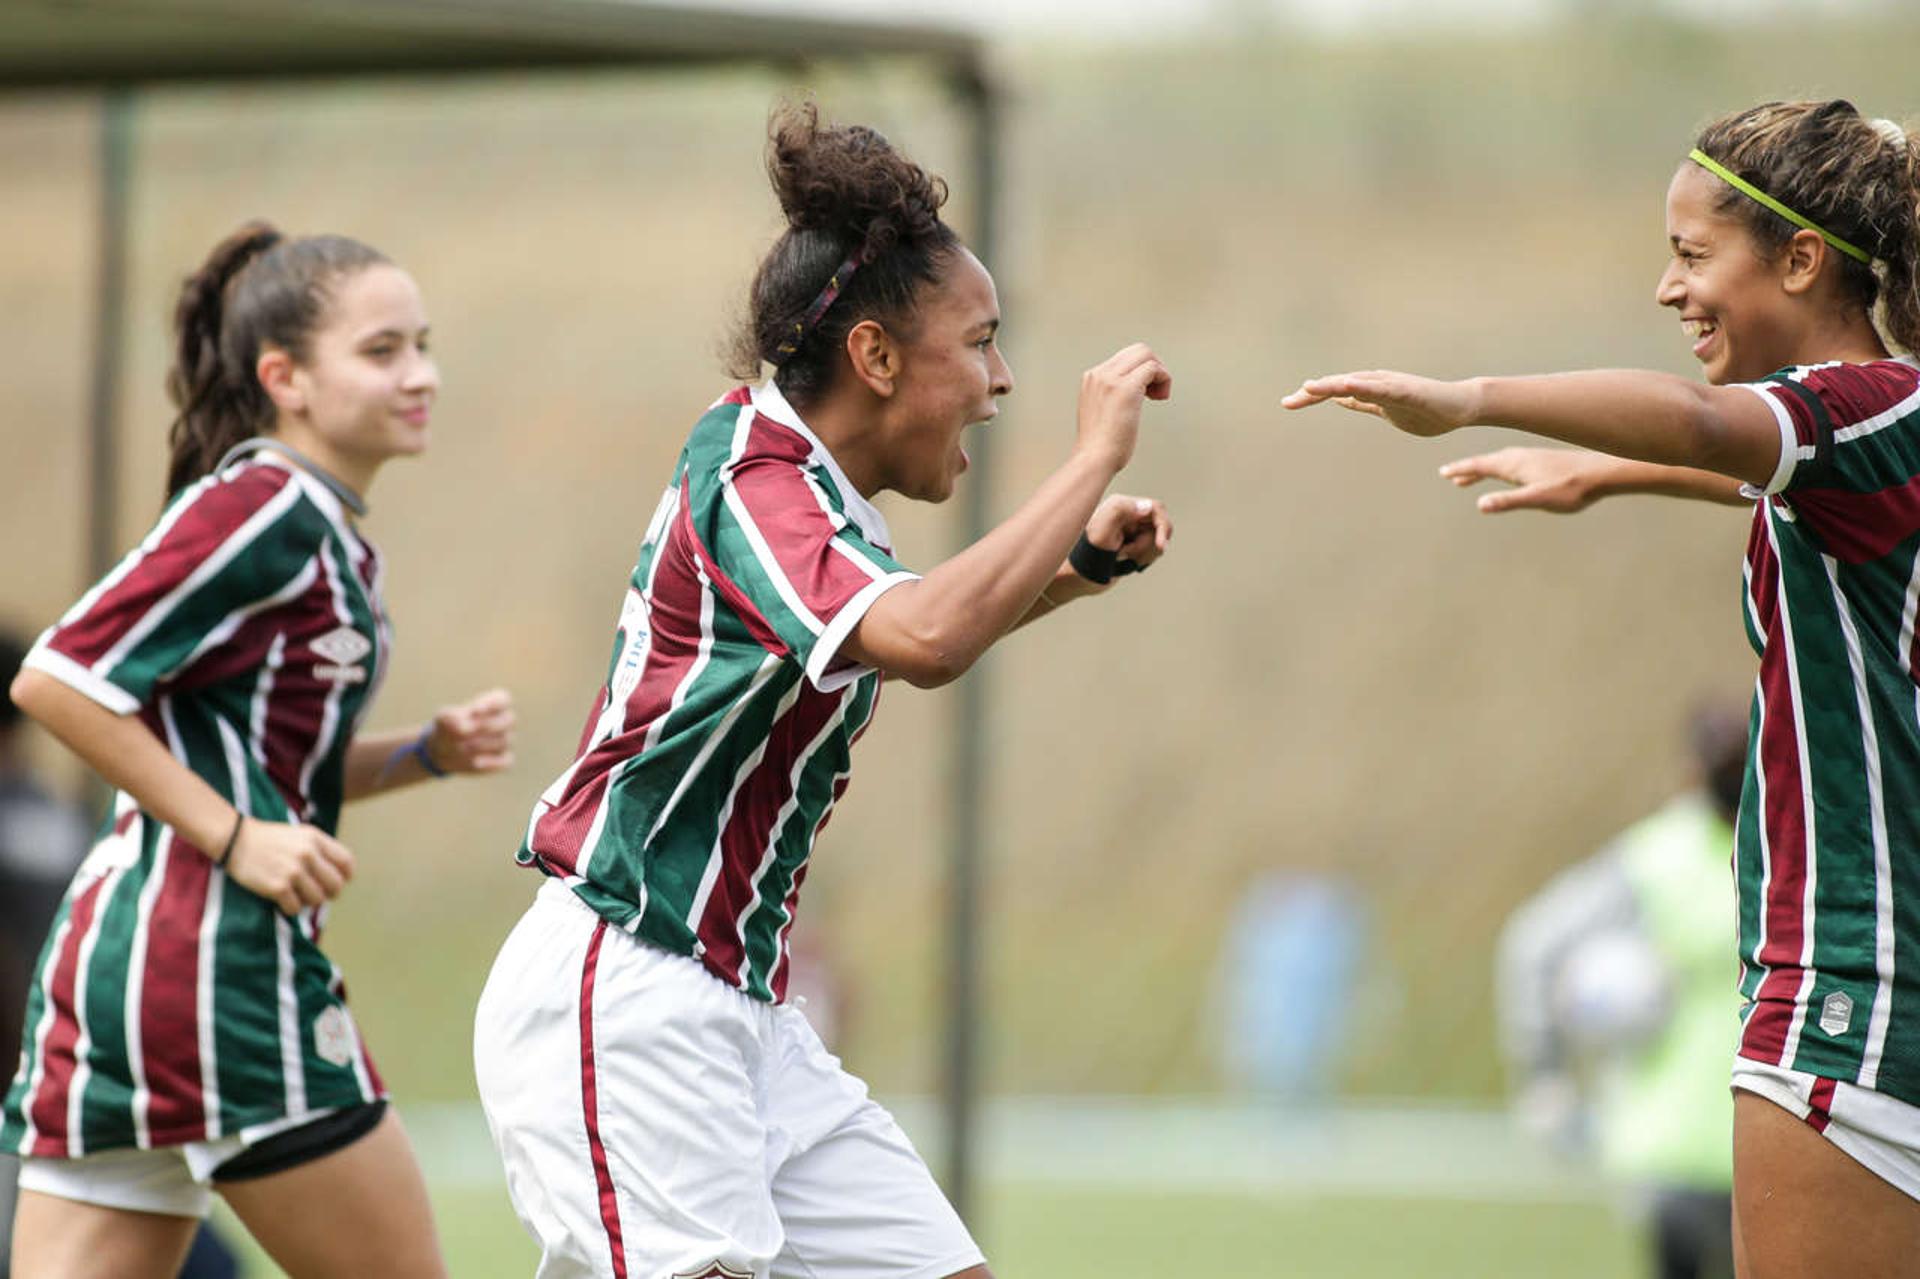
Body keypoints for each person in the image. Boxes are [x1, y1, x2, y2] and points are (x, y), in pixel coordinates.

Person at [472, 102, 1173, 1279]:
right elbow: (930, 635)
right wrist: (1090, 459)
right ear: (877, 357)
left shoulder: (820, 500)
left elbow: (906, 627)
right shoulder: (752, 469)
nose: (1001, 380)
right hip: (627, 993)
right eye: (983, 341)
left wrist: (1075, 568)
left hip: (738, 1013)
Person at [1284, 99, 1920, 1276]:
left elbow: (1706, 426)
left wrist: (1465, 396)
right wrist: (1606, 474)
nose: (1670, 290)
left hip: (1856, 990)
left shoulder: (1847, 413)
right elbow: (1779, 477)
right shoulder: (1896, 422)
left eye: (1691, 256)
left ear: (1799, 258)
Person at [3, 222, 516, 1279]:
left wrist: (424, 751)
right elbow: (58, 677)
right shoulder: (267, 506)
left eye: (421, 344)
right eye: (382, 352)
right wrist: (237, 839)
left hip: (122, 981)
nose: (420, 374)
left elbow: (260, 766)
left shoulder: (323, 527)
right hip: (216, 971)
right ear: (282, 377)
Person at [1497, 706, 1747, 1279]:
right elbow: (1534, 948)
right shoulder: (1654, 862)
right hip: (1681, 1151)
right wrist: (1545, 1078)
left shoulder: (1788, 850)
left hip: (1751, 1142)